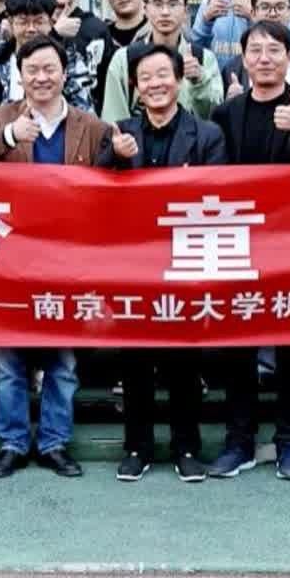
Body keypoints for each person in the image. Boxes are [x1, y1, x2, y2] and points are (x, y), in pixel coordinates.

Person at [0, 35, 114, 478]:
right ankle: (13, 443)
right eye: (32, 70)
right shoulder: (2, 116)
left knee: (62, 361)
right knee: (9, 360)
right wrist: (11, 136)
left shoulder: (91, 125)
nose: (41, 77)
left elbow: (114, 184)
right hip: (13, 259)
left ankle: (54, 443)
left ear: (65, 73)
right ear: (21, 75)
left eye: (50, 68)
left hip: (70, 261)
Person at [208, 21, 290, 481]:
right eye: (256, 50)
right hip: (240, 245)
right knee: (237, 351)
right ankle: (239, 441)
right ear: (243, 59)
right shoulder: (226, 113)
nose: (264, 58)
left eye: (274, 50)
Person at [96, 43, 226, 483]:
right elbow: (92, 190)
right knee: (134, 361)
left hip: (184, 262)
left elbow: (219, 193)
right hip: (131, 264)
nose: (155, 84)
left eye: (162, 75)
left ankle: (186, 447)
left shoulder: (207, 134)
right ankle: (137, 447)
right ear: (135, 86)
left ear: (178, 80)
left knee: (184, 361)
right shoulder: (120, 131)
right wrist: (113, 157)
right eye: (145, 78)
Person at [100, 0, 222, 123]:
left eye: (173, 4)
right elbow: (114, 122)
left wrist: (199, 81)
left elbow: (215, 117)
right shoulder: (124, 60)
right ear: (146, 9)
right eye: (157, 4)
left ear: (186, 11)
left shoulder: (204, 58)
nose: (165, 12)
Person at [0, 0, 78, 139]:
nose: (31, 29)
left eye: (38, 22)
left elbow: (82, 110)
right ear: (11, 22)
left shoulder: (68, 60)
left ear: (51, 23)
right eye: (23, 22)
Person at [34, 0, 111, 112]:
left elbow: (107, 83)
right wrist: (55, 33)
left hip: (87, 117)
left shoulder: (96, 28)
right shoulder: (33, 26)